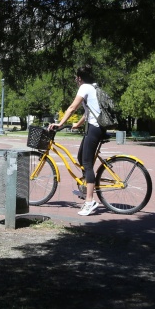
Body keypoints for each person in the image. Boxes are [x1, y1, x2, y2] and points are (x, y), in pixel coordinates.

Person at [49, 65, 104, 216]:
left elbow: (72, 107)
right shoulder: (92, 87)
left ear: (79, 78)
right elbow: (89, 112)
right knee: (81, 158)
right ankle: (86, 187)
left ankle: (90, 201)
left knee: (87, 163)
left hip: (95, 127)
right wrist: (77, 125)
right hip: (93, 126)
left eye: (76, 77)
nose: (75, 80)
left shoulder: (84, 87)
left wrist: (60, 123)